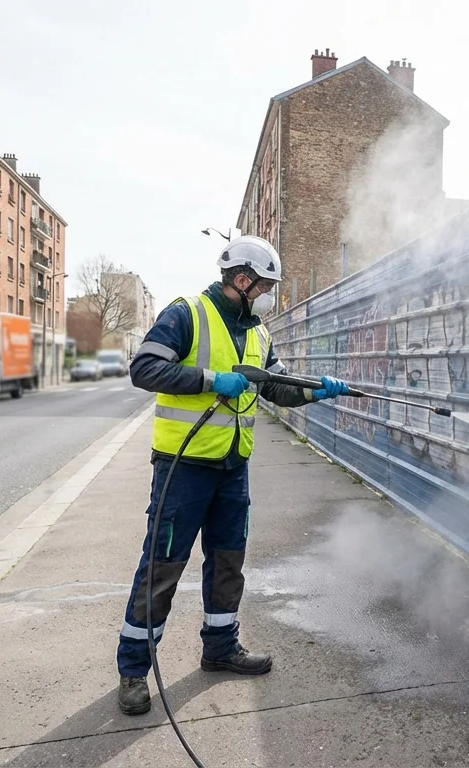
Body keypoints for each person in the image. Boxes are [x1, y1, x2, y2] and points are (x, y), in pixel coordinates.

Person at [116, 235, 348, 716]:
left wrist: (316, 392)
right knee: (162, 567)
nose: (268, 295)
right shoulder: (187, 314)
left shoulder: (259, 333)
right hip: (183, 468)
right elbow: (144, 369)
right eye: (265, 285)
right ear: (242, 279)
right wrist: (209, 381)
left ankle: (220, 647)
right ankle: (135, 669)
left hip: (231, 469)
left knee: (227, 564)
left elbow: (277, 388)